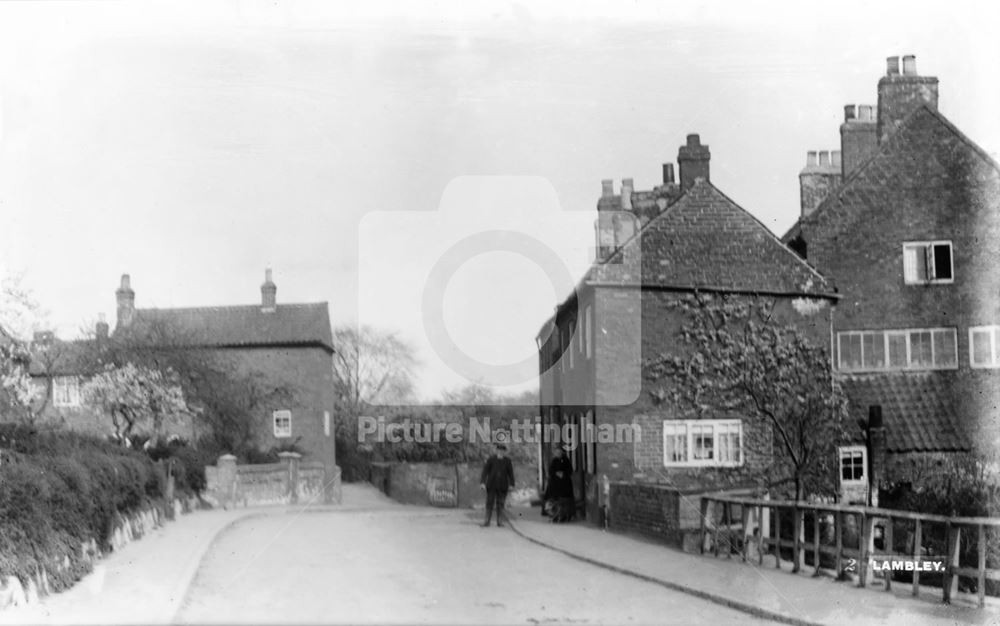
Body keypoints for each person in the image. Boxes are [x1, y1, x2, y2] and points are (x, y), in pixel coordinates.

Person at [480, 443, 515, 527]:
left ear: (504, 451)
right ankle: (486, 521)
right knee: (489, 503)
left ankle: (500, 522)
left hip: (503, 486)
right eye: (499, 450)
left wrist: (512, 484)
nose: (500, 452)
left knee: (501, 504)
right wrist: (482, 483)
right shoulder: (491, 459)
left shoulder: (508, 461)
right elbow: (485, 471)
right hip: (491, 485)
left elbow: (511, 473)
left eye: (502, 450)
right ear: (496, 451)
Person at [544, 446, 575, 522]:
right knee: (554, 500)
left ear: (562, 453)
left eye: (559, 452)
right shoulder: (554, 461)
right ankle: (555, 515)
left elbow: (570, 470)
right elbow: (550, 471)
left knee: (565, 501)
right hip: (554, 484)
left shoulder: (566, 460)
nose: (558, 454)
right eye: (556, 453)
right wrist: (556, 473)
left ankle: (565, 516)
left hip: (565, 484)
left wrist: (563, 474)